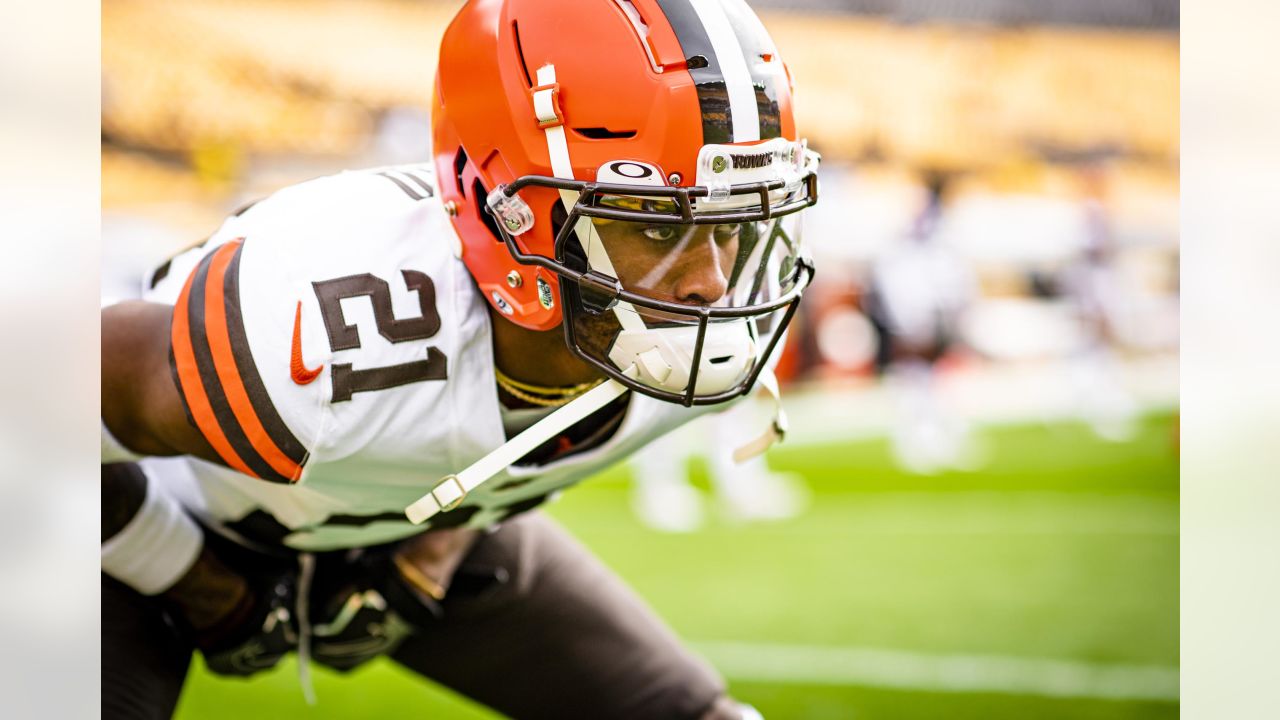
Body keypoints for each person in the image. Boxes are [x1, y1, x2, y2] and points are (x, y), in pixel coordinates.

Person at [100, 1, 819, 718]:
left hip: (407, 523)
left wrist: (429, 560)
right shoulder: (325, 332)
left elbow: (483, 437)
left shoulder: (710, 331)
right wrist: (190, 576)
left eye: (737, 221)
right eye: (659, 223)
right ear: (514, 219)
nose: (712, 284)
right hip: (144, 515)